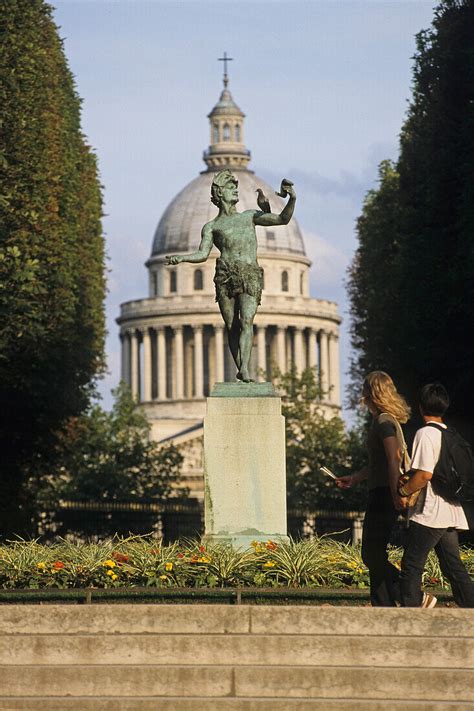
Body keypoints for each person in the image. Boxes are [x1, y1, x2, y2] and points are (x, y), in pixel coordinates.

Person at [167, 169, 296, 382]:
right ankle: (241, 367)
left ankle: (244, 369)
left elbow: (283, 219)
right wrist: (181, 258)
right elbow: (202, 254)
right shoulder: (212, 226)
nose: (235, 191)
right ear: (219, 194)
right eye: (230, 188)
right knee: (231, 326)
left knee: (246, 321)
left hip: (249, 275)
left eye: (235, 187)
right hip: (225, 278)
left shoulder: (250, 216)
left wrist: (292, 198)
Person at [336, 371, 411, 606]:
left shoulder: (383, 421)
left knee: (371, 553)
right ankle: (384, 604)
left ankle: (407, 594)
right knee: (375, 552)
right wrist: (356, 477)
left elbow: (393, 458)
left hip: (383, 493)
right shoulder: (387, 420)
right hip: (381, 490)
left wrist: (394, 493)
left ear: (369, 393)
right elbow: (379, 463)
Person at [397, 383, 474, 607]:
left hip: (430, 510)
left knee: (412, 563)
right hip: (451, 509)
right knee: (453, 566)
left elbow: (423, 475)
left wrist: (403, 491)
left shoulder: (425, 434)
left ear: (421, 408)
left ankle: (410, 612)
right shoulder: (449, 433)